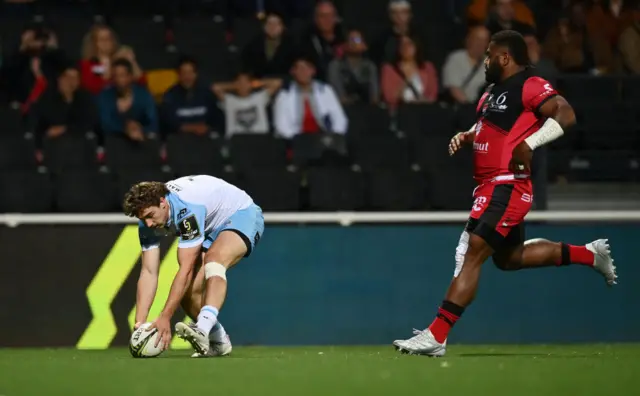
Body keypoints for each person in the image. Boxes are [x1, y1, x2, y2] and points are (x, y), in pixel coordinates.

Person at [392, 30, 618, 357]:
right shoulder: (490, 94)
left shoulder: (530, 84)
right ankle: (590, 254)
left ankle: (436, 335)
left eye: (488, 55)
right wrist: (469, 135)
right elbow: (491, 128)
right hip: (488, 184)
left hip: (507, 184)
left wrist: (530, 143)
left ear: (505, 57)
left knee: (472, 250)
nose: (485, 61)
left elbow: (565, 114)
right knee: (509, 259)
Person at [123, 175, 264, 357]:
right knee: (187, 294)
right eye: (143, 219)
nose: (148, 224)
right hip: (209, 225)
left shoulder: (186, 209)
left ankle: (202, 329)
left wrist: (165, 316)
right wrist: (140, 323)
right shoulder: (146, 223)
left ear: (162, 202)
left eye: (150, 216)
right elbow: (149, 271)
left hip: (242, 214)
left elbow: (186, 269)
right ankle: (219, 341)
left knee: (214, 260)